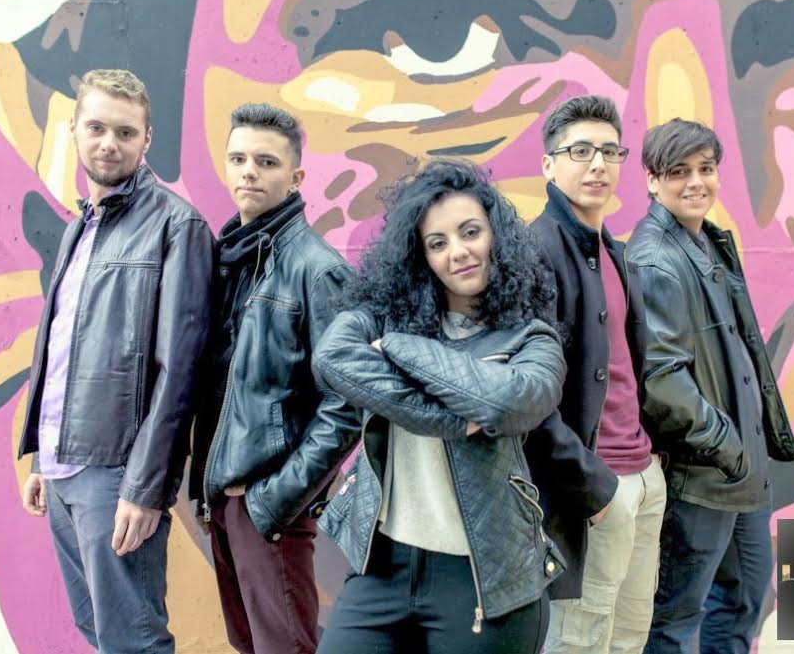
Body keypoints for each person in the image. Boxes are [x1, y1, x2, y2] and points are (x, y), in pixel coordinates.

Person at [312, 159, 567, 654]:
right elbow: (332, 356)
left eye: (470, 232)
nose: (458, 252)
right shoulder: (380, 316)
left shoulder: (531, 340)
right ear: (420, 258)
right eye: (437, 243)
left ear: (497, 237)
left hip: (483, 579)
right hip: (382, 565)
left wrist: (400, 348)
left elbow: (507, 402)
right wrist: (453, 419)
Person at [17, 68, 214, 653]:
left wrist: (146, 488)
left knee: (133, 642)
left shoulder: (177, 225)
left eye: (125, 132)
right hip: (63, 467)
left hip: (117, 474)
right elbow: (62, 347)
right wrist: (42, 455)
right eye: (97, 128)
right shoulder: (81, 225)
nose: (109, 143)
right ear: (74, 129)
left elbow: (180, 372)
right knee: (97, 631)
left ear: (147, 138)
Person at [188, 103, 359, 654]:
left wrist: (276, 498)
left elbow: (347, 406)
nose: (249, 172)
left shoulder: (318, 269)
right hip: (224, 499)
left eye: (266, 162)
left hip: (266, 507)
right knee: (248, 644)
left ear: (296, 176)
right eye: (238, 159)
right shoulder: (229, 260)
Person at [626, 118, 794, 653]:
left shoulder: (708, 241)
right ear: (652, 180)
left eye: (706, 169)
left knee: (743, 598)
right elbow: (661, 380)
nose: (696, 182)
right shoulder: (656, 259)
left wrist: (744, 455)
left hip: (738, 473)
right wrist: (727, 447)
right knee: (675, 620)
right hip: (701, 475)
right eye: (679, 171)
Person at [527, 94, 666, 654]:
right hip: (593, 486)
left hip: (642, 475)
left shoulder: (612, 250)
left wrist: (649, 466)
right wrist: (592, 485)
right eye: (580, 151)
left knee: (628, 639)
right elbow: (528, 396)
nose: (598, 164)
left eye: (610, 151)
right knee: (578, 642)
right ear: (548, 164)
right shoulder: (536, 251)